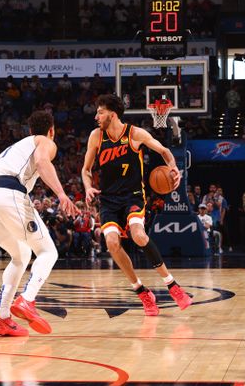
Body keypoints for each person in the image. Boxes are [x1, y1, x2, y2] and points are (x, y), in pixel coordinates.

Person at [81, 94, 192, 316]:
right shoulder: (96, 136)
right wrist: (87, 187)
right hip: (109, 200)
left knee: (139, 235)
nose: (96, 116)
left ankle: (173, 285)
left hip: (132, 196)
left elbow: (164, 151)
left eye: (100, 112)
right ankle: (142, 292)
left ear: (111, 115)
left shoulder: (134, 134)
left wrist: (173, 168)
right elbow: (86, 169)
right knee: (111, 242)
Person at [0, 110, 78, 337]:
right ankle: (27, 300)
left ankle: (1, 317)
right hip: (6, 192)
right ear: (52, 131)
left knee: (21, 255)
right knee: (48, 251)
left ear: (30, 130)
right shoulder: (45, 141)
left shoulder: (14, 148)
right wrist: (61, 194)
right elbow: (41, 161)